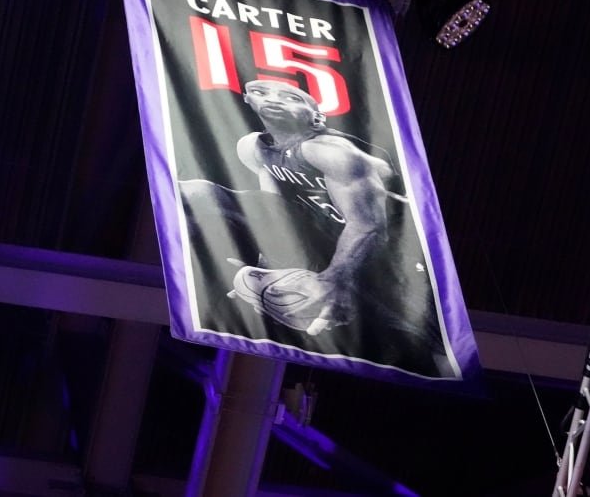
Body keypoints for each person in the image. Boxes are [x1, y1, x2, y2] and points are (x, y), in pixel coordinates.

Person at [180, 80, 450, 376]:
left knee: (428, 350)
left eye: (291, 96)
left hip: (393, 252)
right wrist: (270, 258)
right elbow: (273, 204)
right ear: (248, 101)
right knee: (197, 194)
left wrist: (332, 280)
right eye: (261, 92)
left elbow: (370, 227)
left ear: (316, 117)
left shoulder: (330, 151)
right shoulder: (254, 147)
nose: (274, 98)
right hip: (326, 236)